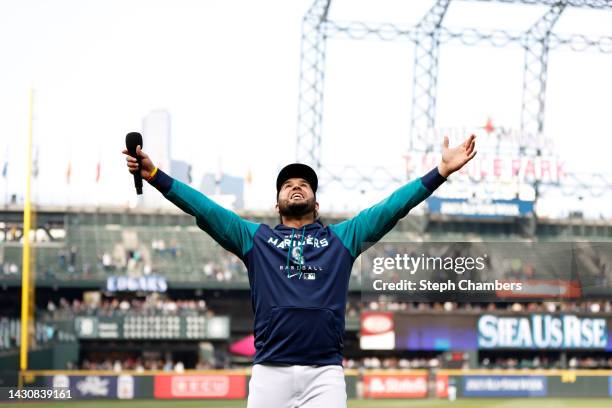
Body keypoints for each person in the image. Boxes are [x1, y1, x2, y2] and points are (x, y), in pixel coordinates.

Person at [122, 135, 476, 407]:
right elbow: (205, 208)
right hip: (269, 372)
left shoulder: (343, 238)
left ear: (316, 203)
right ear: (276, 203)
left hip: (325, 374)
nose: (296, 185)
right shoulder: (254, 239)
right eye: (287, 184)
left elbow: (392, 208)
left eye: (304, 183)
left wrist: (440, 173)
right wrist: (154, 175)